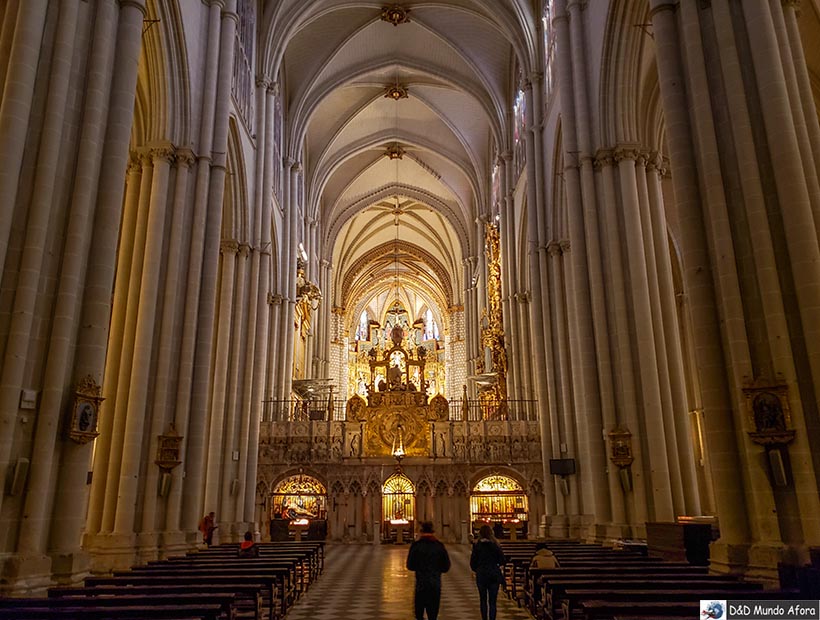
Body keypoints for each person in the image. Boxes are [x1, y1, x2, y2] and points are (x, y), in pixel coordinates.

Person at [406, 521, 451, 620]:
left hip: (421, 584)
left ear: (421, 531)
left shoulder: (416, 546)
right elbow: (446, 567)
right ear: (433, 531)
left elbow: (410, 565)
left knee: (419, 614)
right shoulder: (439, 546)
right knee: (433, 614)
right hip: (435, 584)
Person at [470, 524, 506, 620]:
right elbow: (502, 560)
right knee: (493, 601)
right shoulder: (496, 545)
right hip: (494, 574)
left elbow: (472, 562)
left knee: (483, 600)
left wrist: (477, 569)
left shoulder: (477, 546)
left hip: (481, 575)